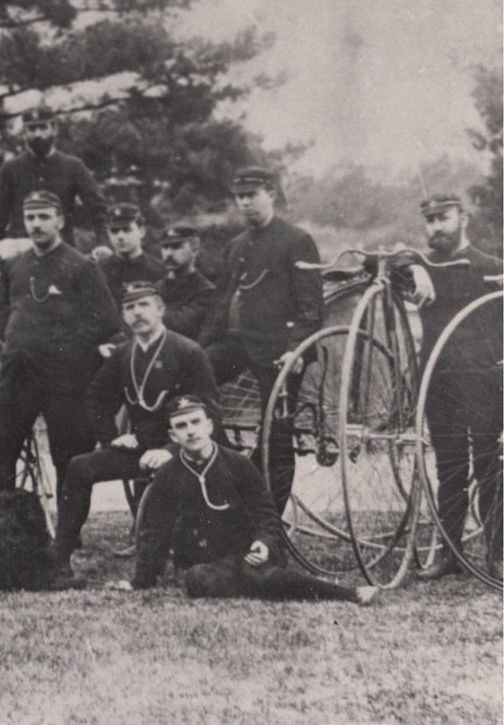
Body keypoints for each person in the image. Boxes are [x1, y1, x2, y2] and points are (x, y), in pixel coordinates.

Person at [110, 396, 377, 604]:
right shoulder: (168, 474)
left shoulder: (238, 464)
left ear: (209, 426)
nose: (190, 431)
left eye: (195, 422)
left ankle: (348, 593)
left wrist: (264, 543)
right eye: (181, 426)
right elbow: (154, 530)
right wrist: (140, 581)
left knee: (259, 572)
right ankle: (269, 584)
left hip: (245, 552)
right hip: (202, 561)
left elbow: (265, 514)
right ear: (172, 436)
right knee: (199, 579)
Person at [53, 282, 217, 570]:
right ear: (123, 316)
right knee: (79, 467)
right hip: (142, 448)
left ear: (160, 310)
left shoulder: (187, 351)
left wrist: (171, 448)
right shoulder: (122, 354)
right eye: (129, 308)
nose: (137, 313)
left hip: (191, 449)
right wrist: (112, 439)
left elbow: (208, 409)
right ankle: (59, 558)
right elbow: (96, 399)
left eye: (144, 305)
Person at [199, 166, 322, 513]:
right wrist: (194, 349)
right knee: (194, 373)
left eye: (252, 195)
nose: (245, 203)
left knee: (277, 438)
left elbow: (312, 306)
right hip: (236, 345)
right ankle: (229, 463)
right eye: (240, 197)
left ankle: (270, 526)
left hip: (278, 353)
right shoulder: (235, 246)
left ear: (270, 193)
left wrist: (295, 349)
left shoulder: (296, 240)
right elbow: (219, 306)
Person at [0, 190, 120, 501]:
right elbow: (1, 313)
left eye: (44, 217)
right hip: (18, 373)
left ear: (60, 221)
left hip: (64, 378)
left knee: (68, 455)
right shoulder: (13, 266)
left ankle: (66, 537)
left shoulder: (81, 266)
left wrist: (68, 346)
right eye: (30, 217)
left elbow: (107, 321)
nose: (36, 224)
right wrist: (10, 342)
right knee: (2, 452)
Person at [406, 194, 503, 580]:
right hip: (439, 379)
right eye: (428, 221)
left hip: (483, 382)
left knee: (487, 466)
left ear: (463, 217)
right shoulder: (423, 265)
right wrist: (413, 266)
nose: (435, 228)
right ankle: (450, 554)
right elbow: (377, 260)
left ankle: (495, 554)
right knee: (448, 467)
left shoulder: (492, 267)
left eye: (442, 218)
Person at [0, 106, 105, 260]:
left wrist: (103, 243)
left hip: (63, 254)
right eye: (32, 129)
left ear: (54, 129)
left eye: (43, 127)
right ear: (25, 132)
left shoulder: (73, 166)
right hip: (21, 256)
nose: (38, 134)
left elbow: (98, 208)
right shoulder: (11, 168)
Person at [157, 223, 216, 342]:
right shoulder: (157, 287)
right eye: (165, 247)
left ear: (194, 250)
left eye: (176, 247)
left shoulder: (206, 291)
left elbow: (180, 325)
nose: (169, 254)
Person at [97, 203, 166, 300]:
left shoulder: (160, 270)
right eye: (114, 231)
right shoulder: (99, 270)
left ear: (141, 232)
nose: (120, 236)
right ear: (108, 234)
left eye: (127, 230)